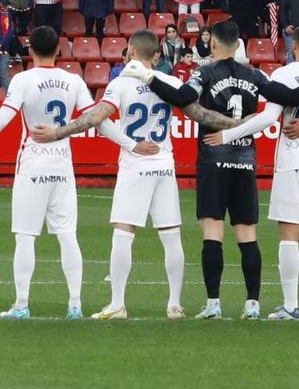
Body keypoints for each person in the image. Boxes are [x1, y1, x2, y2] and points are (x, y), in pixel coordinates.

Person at [54, 29, 232, 320]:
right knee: (171, 235)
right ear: (157, 55)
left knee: (124, 233)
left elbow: (98, 118)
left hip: (136, 164)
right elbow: (201, 114)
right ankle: (174, 304)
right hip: (164, 163)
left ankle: (117, 303)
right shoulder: (172, 81)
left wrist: (58, 133)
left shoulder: (121, 83)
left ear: (132, 52)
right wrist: (237, 123)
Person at [186, 21, 299, 319]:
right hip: (245, 160)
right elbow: (290, 99)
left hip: (213, 157)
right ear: (239, 44)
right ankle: (253, 303)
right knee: (247, 234)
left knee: (213, 231)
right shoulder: (257, 74)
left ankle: (213, 303)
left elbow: (185, 97)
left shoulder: (204, 72)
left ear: (211, 44)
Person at [0, 27, 89, 319]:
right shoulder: (73, 80)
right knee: (67, 235)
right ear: (59, 49)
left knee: (25, 237)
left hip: (33, 165)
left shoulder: (23, 79)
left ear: (30, 52)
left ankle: (22, 304)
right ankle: (75, 304)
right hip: (63, 166)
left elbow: (2, 119)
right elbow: (92, 117)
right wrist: (130, 143)